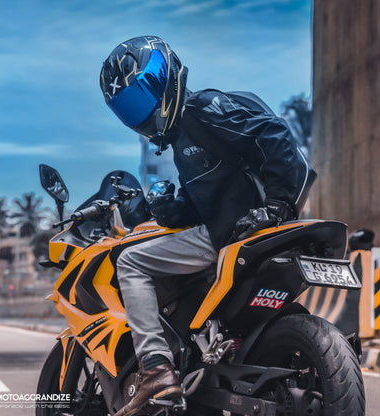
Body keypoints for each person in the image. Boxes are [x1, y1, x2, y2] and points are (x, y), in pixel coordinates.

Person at [100, 35, 300, 416]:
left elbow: (273, 132)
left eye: (141, 98)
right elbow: (204, 203)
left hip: (232, 233)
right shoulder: (184, 139)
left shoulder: (202, 109)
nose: (140, 115)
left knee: (130, 262)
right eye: (128, 108)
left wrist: (277, 205)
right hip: (230, 230)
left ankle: (156, 369)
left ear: (165, 77)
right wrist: (171, 211)